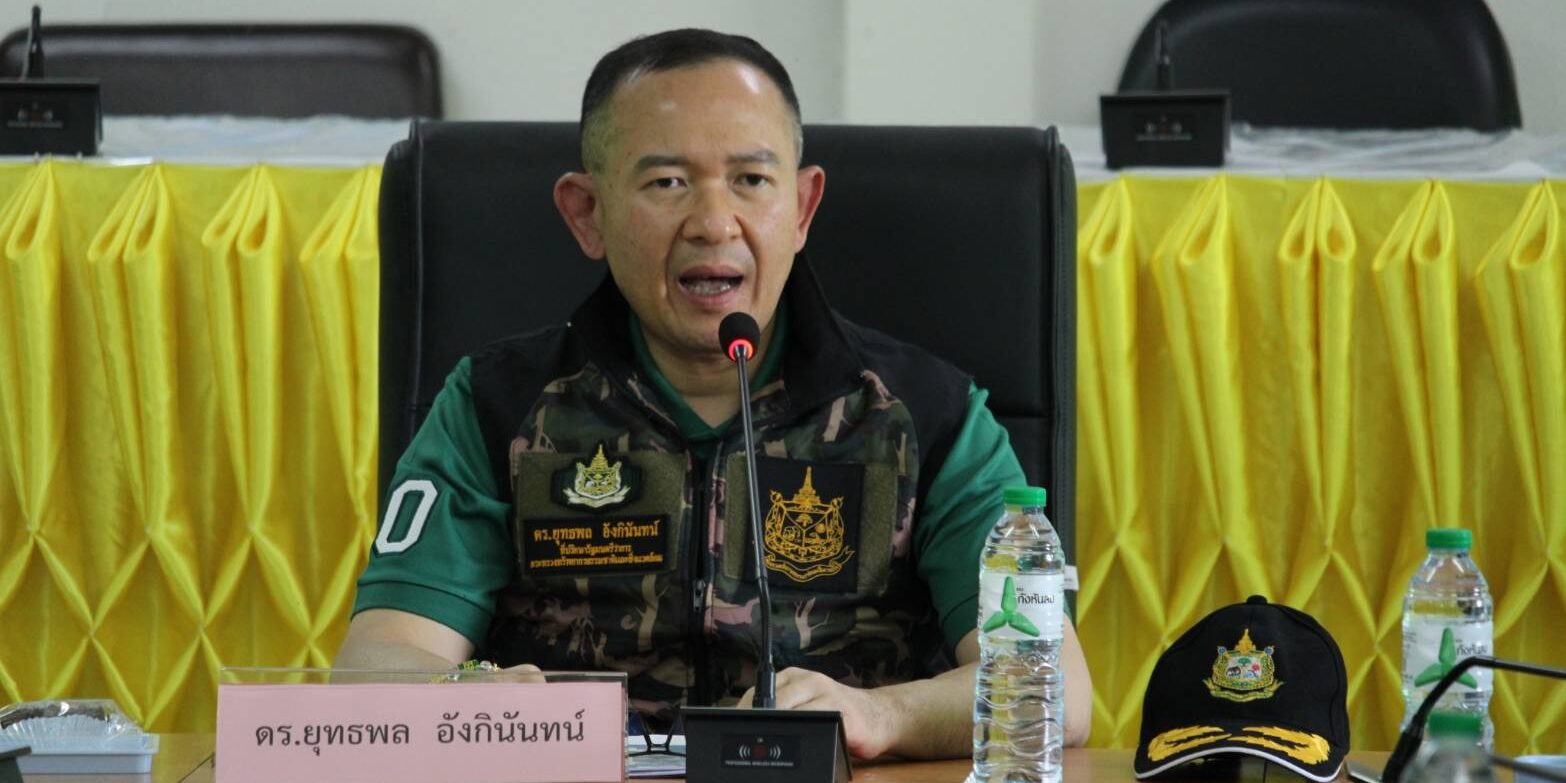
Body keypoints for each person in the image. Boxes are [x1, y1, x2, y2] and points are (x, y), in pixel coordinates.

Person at [335, 28, 1092, 759]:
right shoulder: (498, 405)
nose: (713, 222)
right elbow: (375, 659)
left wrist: (883, 714)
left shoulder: (926, 414)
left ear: (802, 208)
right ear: (587, 213)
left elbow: (1051, 686)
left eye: (751, 180)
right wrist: (463, 696)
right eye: (667, 182)